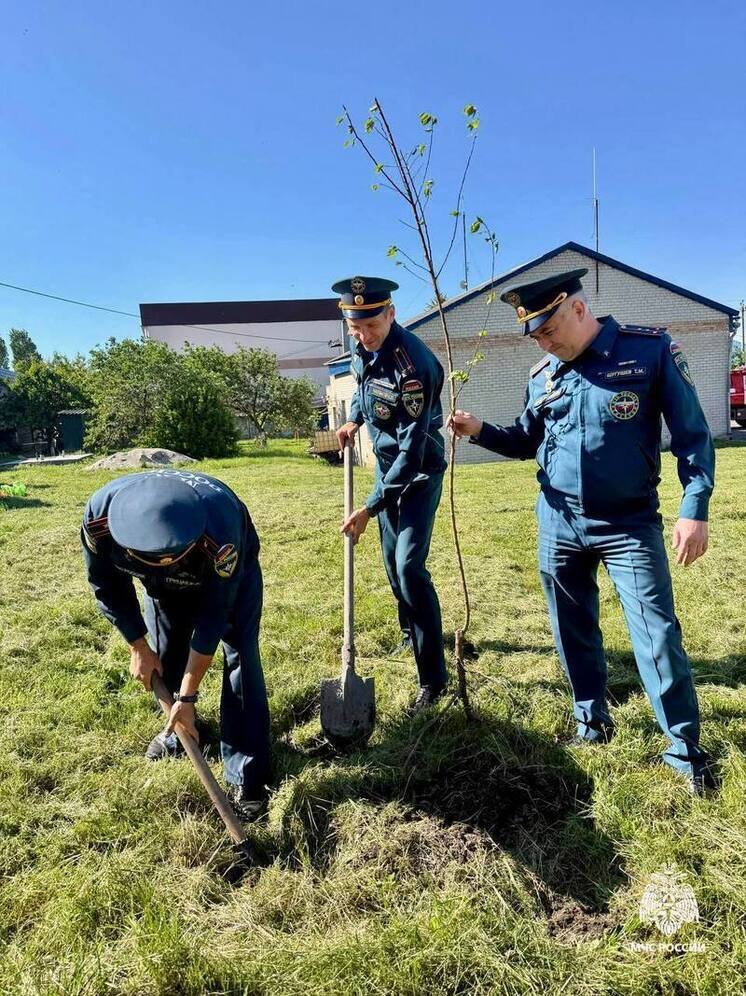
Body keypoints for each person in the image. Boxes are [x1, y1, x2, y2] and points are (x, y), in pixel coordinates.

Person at [448, 268, 715, 793]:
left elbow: (692, 435)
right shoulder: (543, 374)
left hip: (629, 523)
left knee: (656, 634)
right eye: (536, 336)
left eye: (549, 330)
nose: (545, 343)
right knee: (571, 629)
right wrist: (479, 431)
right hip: (559, 521)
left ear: (576, 307)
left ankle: (684, 750)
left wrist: (694, 507)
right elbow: (527, 440)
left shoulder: (649, 352)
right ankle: (591, 721)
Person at [81, 469, 271, 819]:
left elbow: (215, 616)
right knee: (165, 655)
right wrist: (138, 645)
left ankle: (247, 773)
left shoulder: (221, 532)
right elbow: (106, 585)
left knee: (240, 660)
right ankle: (180, 734)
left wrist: (187, 695)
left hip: (229, 581)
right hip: (161, 590)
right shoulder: (99, 519)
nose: (169, 564)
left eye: (174, 558)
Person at [333, 275, 448, 714]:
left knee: (409, 566)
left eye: (371, 326)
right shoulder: (364, 349)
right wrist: (354, 420)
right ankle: (411, 633)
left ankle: (433, 679)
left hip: (416, 474)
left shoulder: (413, 366)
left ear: (391, 313)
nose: (363, 335)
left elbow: (412, 451)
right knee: (390, 566)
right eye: (354, 327)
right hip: (386, 473)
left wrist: (370, 505)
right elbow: (366, 391)